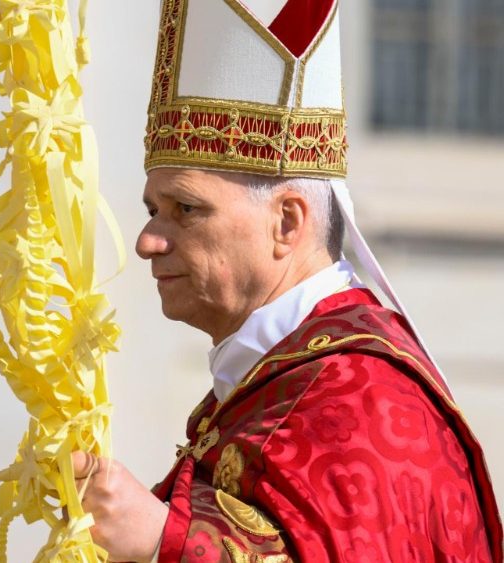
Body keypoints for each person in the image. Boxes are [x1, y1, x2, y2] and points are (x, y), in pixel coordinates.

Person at [70, 1, 503, 562]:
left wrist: (163, 539)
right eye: (152, 207)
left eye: (186, 209)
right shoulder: (284, 376)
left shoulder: (362, 402)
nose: (148, 241)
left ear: (287, 222)